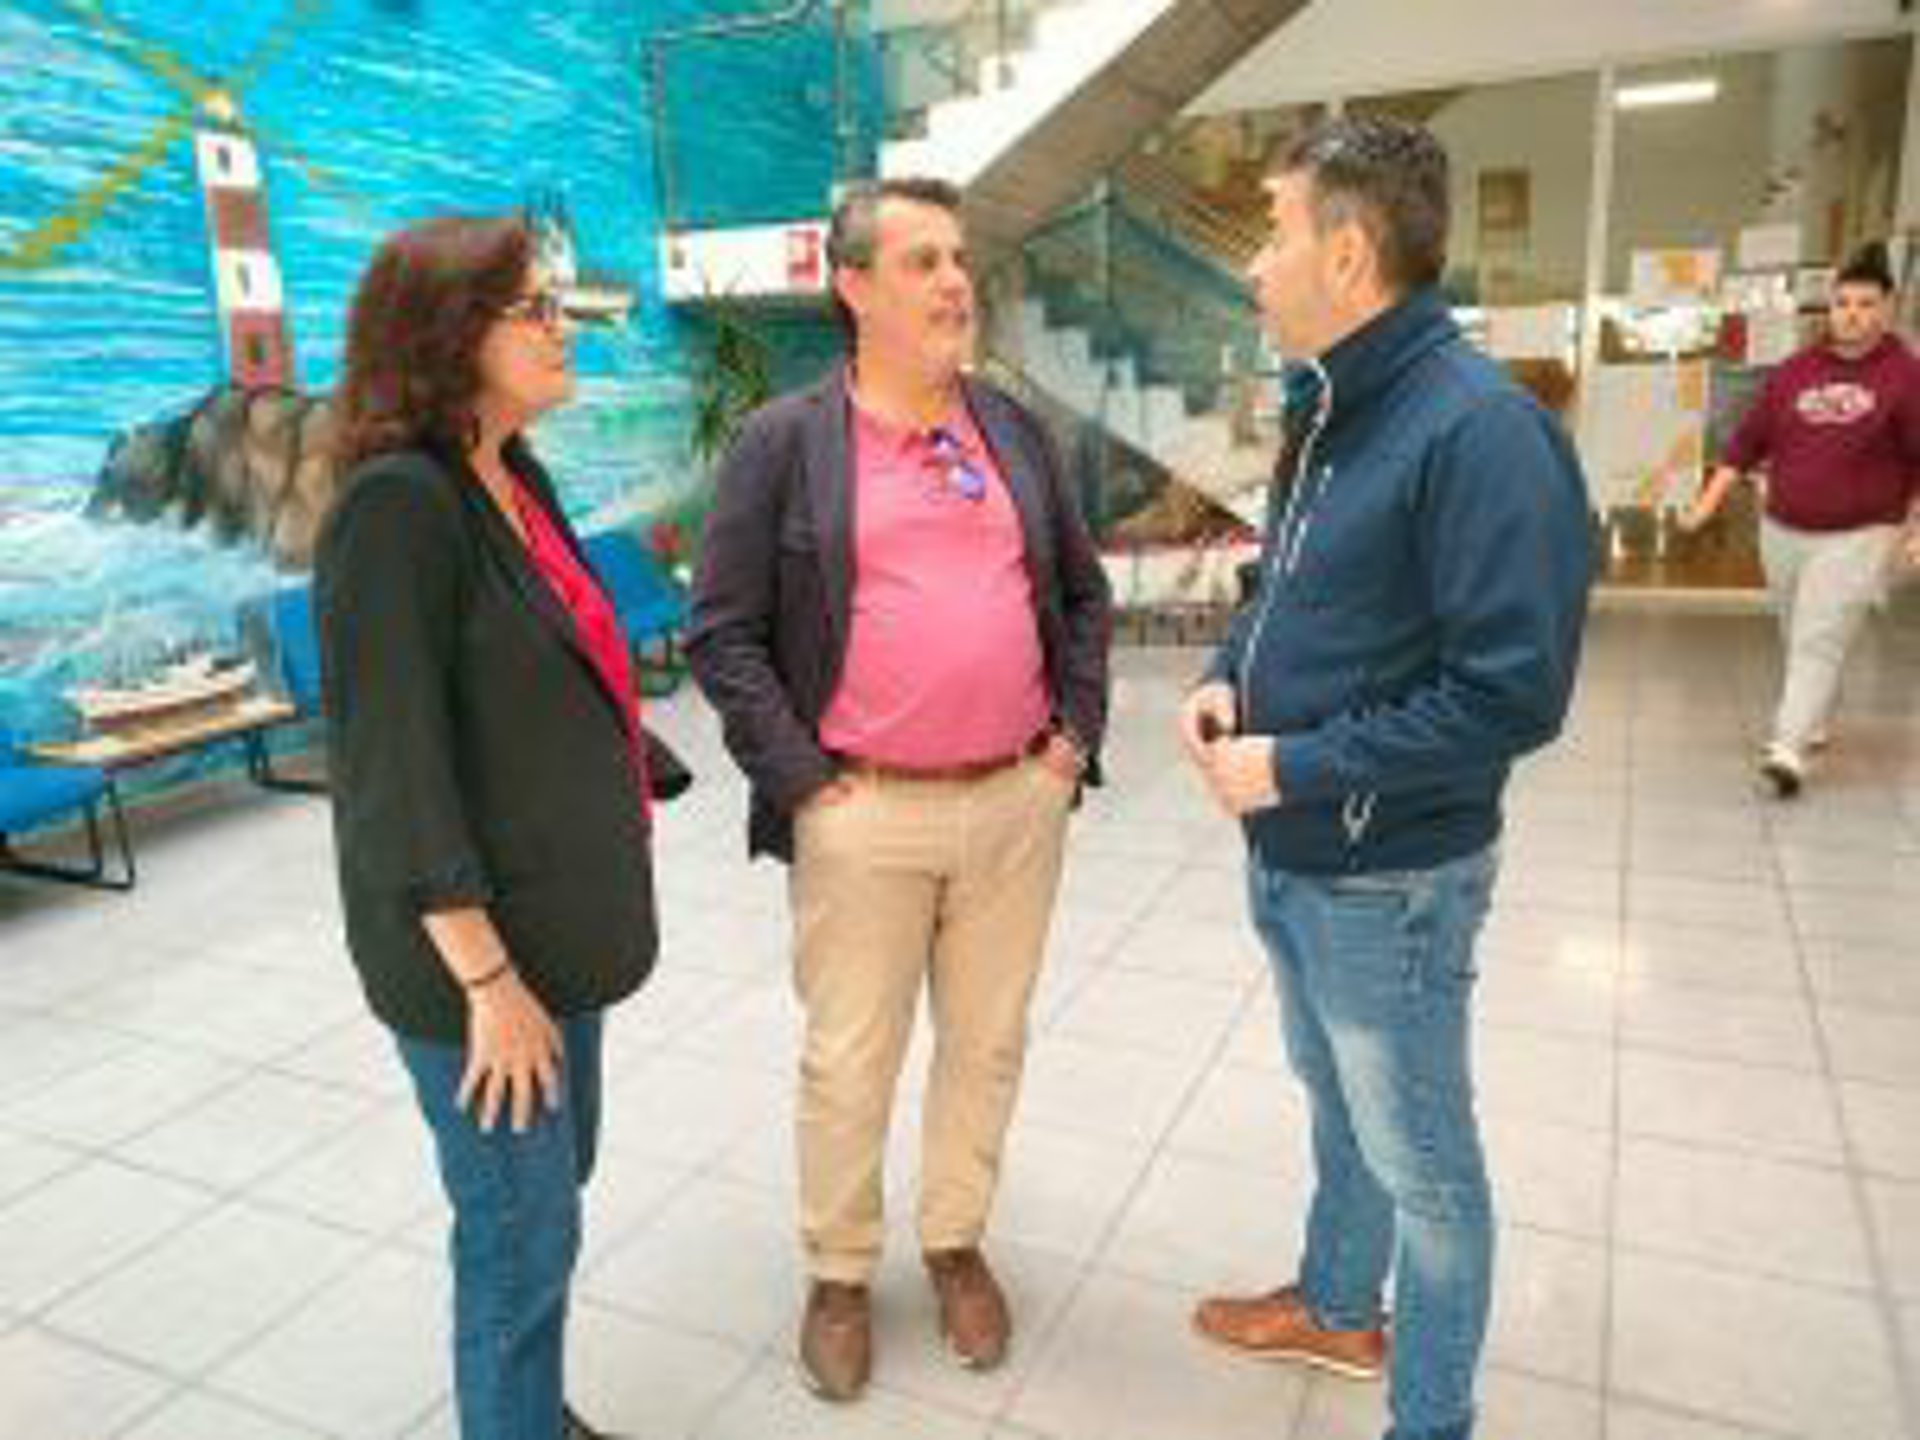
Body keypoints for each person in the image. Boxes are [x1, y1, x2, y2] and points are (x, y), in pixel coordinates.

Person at [1179, 118, 1593, 1440]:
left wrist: (1297, 763)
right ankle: (1338, 1304)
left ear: (1349, 254)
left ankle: (1433, 1416)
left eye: (1275, 232)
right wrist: (1229, 672)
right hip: (1298, 852)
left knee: (1424, 1162)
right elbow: (1287, 586)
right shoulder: (1330, 404)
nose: (1254, 265)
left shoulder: (1482, 433)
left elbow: (1512, 693)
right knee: (1343, 1107)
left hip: (1389, 878)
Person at [688, 176, 1111, 1403]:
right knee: (849, 1059)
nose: (955, 282)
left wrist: (1070, 741)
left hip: (1016, 801)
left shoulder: (1013, 431)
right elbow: (724, 633)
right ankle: (838, 1272)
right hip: (862, 811)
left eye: (959, 258)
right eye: (923, 261)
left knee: (987, 1045)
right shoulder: (785, 443)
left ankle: (955, 1242)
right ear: (855, 287)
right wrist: (807, 785)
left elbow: (1081, 597)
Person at [316, 215, 669, 1440]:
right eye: (537, 310)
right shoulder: (396, 511)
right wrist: (489, 982)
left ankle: (532, 1415)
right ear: (451, 335)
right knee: (518, 1237)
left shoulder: (516, 476)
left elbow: (560, 656)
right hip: (479, 965)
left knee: (548, 1201)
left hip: (556, 925)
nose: (564, 330)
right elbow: (393, 774)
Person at [1680, 242, 1920, 797]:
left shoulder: (1906, 377)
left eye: (1865, 304)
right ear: (1829, 308)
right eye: (1843, 303)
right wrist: (1706, 503)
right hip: (1784, 527)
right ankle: (1815, 715)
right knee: (1798, 631)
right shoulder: (1795, 371)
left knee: (1818, 635)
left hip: (1861, 532)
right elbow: (1747, 444)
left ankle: (1787, 750)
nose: (1852, 314)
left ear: (1888, 309)